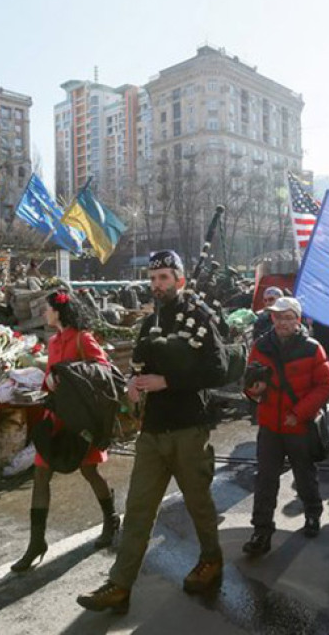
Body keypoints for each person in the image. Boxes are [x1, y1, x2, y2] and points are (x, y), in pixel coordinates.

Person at [77, 250, 225, 615]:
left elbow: (218, 369)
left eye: (164, 277)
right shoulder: (148, 322)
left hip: (189, 428)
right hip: (153, 431)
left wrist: (168, 381)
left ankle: (212, 560)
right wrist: (133, 382)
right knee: (138, 509)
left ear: (180, 280)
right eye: (153, 278)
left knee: (198, 503)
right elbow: (140, 364)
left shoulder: (198, 317)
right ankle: (120, 584)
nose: (157, 284)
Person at [11, 290, 118, 573]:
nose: (44, 313)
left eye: (47, 309)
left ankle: (111, 519)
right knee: (40, 475)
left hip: (80, 421)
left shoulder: (83, 338)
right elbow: (51, 378)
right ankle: (36, 543)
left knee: (90, 471)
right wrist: (48, 379)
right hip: (55, 417)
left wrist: (66, 372)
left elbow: (103, 369)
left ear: (58, 311)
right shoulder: (54, 340)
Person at [242, 296, 329, 556]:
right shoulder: (261, 345)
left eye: (286, 317)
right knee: (265, 481)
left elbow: (326, 384)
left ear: (297, 319)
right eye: (277, 316)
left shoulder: (313, 348)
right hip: (270, 426)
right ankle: (261, 531)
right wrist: (253, 390)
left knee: (305, 475)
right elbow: (249, 382)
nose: (281, 322)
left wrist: (299, 412)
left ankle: (313, 514)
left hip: (299, 426)